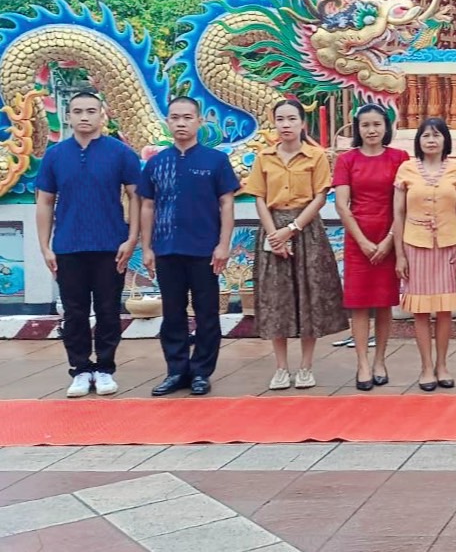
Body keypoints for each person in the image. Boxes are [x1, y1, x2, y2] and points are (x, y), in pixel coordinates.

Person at [35, 91, 140, 399]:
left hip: (111, 245)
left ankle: (105, 369)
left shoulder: (120, 153)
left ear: (101, 115)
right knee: (75, 312)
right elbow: (45, 201)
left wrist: (132, 238)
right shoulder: (55, 155)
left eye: (91, 111)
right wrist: (45, 246)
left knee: (108, 310)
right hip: (68, 246)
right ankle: (80, 369)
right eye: (78, 111)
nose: (84, 116)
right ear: (68, 116)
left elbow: (136, 196)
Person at [140, 97, 239, 397]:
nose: (181, 123)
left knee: (207, 313)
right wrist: (147, 248)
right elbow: (147, 206)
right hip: (167, 249)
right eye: (175, 118)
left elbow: (227, 203)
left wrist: (223, 245)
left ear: (199, 121)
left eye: (187, 117)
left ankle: (201, 372)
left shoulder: (215, 161)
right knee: (173, 313)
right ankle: (176, 371)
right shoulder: (156, 163)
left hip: (205, 251)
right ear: (167, 122)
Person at [246, 100, 347, 390]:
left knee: (309, 297)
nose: (286, 124)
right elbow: (259, 198)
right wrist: (273, 235)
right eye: (280, 119)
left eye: (292, 119)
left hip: (306, 231)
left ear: (303, 123)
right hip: (272, 230)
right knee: (276, 299)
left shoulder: (316, 156)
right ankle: (281, 368)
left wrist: (291, 229)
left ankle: (305, 366)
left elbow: (319, 197)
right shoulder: (264, 157)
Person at [332, 104, 408, 390]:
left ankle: (380, 360)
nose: (371, 130)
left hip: (390, 236)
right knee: (359, 304)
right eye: (365, 125)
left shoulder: (399, 158)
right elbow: (342, 205)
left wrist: (389, 240)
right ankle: (362, 362)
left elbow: (403, 204)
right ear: (358, 129)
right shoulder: (347, 160)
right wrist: (362, 241)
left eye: (377, 124)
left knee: (384, 303)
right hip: (358, 240)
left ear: (386, 127)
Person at [393, 117, 456, 391]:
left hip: (447, 246)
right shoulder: (406, 169)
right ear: (419, 141)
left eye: (437, 135)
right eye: (426, 135)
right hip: (415, 246)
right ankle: (426, 367)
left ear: (445, 140)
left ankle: (442, 365)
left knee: (445, 309)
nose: (431, 140)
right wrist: (400, 254)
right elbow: (398, 213)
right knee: (421, 310)